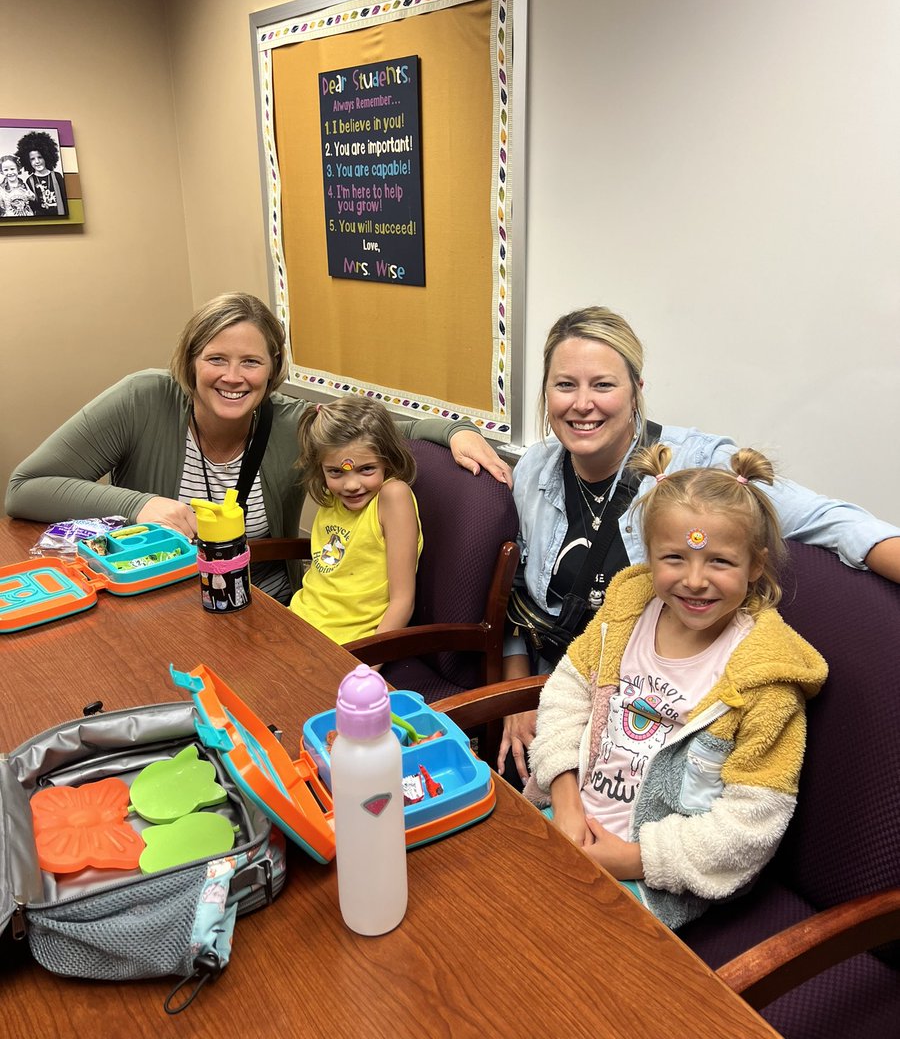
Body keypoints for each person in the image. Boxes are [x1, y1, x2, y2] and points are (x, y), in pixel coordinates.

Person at [500, 306, 900, 780]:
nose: (582, 404)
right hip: (559, 690)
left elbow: (831, 521)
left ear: (636, 391)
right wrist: (516, 695)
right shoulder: (536, 468)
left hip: (649, 707)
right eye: (565, 385)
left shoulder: (694, 464)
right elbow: (522, 600)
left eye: (603, 385)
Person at [5, 293, 511, 603]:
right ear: (189, 361)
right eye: (216, 359)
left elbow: (385, 426)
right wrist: (141, 505)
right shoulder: (142, 399)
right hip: (155, 596)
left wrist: (456, 431)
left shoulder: (292, 423)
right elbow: (24, 488)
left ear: (273, 370)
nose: (233, 377)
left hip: (262, 603)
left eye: (251, 362)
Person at [525, 443, 828, 931]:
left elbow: (753, 822)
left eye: (720, 562)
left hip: (654, 878)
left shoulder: (766, 678)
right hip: (563, 820)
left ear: (755, 565)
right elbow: (565, 698)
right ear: (649, 556)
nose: (695, 580)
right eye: (674, 558)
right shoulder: (626, 614)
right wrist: (565, 804)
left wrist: (634, 860)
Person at [289, 398, 422, 645]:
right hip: (297, 622)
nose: (351, 485)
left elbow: (403, 602)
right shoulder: (332, 494)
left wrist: (368, 663)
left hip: (347, 644)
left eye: (367, 469)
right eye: (336, 472)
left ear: (387, 460)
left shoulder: (392, 497)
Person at [15, 131, 68, 218]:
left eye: (40, 157)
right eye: (32, 159)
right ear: (27, 161)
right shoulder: (30, 181)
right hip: (41, 219)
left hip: (60, 217)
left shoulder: (57, 176)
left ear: (47, 157)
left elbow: (65, 199)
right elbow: (33, 205)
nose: (37, 161)